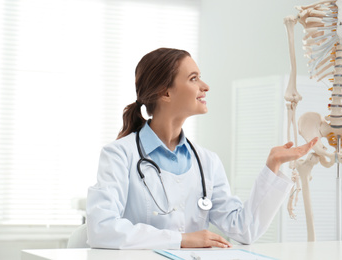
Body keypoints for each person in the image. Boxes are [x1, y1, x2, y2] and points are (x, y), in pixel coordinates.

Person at [86, 48, 318, 249]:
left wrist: (273, 165)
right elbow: (101, 228)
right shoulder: (119, 155)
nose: (205, 86)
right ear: (165, 92)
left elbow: (245, 230)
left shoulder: (207, 161)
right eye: (194, 78)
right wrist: (181, 239)